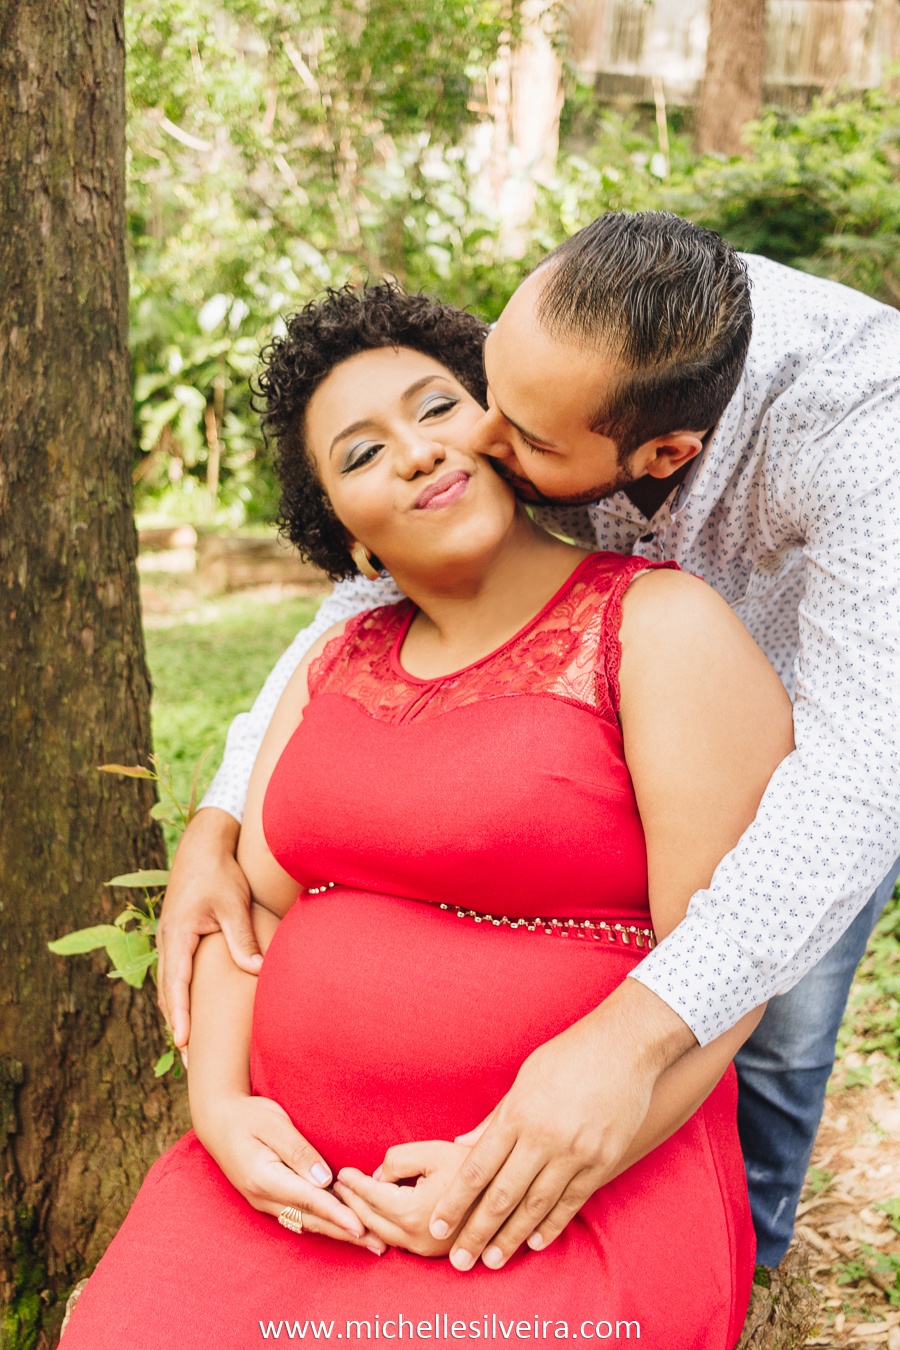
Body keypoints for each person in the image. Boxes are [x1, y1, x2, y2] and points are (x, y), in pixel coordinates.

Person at [157, 213, 900, 1269]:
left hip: (824, 740)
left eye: (528, 440)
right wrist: (217, 818)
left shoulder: (865, 430)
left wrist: (626, 1042)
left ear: (665, 453)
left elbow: (858, 781)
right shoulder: (575, 325)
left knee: (775, 1036)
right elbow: (354, 609)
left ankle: (758, 1259)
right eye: (483, 395)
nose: (470, 445)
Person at [63, 284, 794, 1349]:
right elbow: (246, 917)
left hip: (564, 1193)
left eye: (437, 407)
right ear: (347, 540)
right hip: (290, 1195)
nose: (414, 452)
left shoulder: (658, 625)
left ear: (503, 427)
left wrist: (517, 1171)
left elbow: (731, 961)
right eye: (361, 454)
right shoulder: (328, 665)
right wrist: (218, 1108)